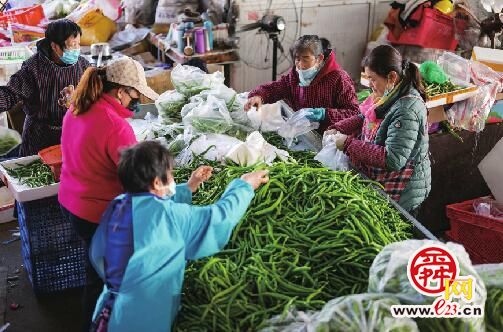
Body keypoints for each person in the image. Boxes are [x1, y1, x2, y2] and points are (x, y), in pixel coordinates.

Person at [88, 141, 269, 332]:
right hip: (142, 317)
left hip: (108, 311)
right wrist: (244, 186)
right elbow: (218, 218)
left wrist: (190, 186)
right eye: (170, 174)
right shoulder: (170, 217)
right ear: (157, 182)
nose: (172, 178)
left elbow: (99, 252)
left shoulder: (119, 205)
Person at [58, 56, 159, 332]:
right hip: (97, 214)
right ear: (119, 91)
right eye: (135, 94)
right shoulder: (116, 125)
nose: (136, 101)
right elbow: (136, 179)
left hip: (71, 203)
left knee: (95, 270)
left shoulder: (77, 108)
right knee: (103, 283)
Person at [330, 45, 431, 213]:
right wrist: (339, 128)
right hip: (381, 182)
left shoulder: (407, 110)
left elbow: (393, 159)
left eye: (373, 79)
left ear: (391, 76)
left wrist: (348, 144)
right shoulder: (388, 94)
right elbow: (366, 117)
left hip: (402, 194)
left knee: (397, 235)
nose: (370, 85)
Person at [0, 19, 89, 157]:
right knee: (39, 173)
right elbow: (10, 94)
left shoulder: (82, 65)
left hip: (72, 134)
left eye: (78, 44)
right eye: (73, 45)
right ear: (55, 46)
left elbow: (96, 89)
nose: (77, 50)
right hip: (40, 137)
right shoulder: (34, 68)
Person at [244, 35, 359, 132]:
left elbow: (354, 113)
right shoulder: (295, 74)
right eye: (297, 59)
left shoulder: (338, 79)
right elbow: (278, 87)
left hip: (331, 136)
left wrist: (325, 114)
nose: (300, 64)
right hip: (303, 133)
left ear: (319, 59)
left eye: (305, 59)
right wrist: (259, 96)